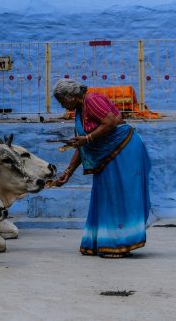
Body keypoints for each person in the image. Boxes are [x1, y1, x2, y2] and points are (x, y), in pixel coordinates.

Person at [52, 78, 151, 258]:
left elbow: (111, 122)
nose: (62, 106)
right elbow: (83, 145)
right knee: (106, 195)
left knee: (119, 195)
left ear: (70, 96)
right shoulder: (79, 111)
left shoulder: (92, 100)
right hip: (106, 154)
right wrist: (68, 172)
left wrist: (87, 139)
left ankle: (120, 243)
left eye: (61, 101)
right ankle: (104, 241)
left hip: (123, 148)